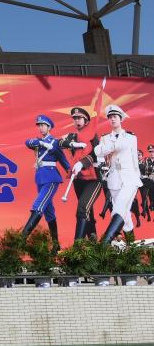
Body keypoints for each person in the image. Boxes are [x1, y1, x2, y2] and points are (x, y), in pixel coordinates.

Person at [94, 105, 143, 244]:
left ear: (121, 119)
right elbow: (98, 152)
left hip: (129, 177)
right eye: (110, 117)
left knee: (119, 208)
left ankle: (104, 244)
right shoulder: (105, 138)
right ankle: (132, 246)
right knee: (125, 215)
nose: (112, 119)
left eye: (115, 117)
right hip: (114, 178)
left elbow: (134, 159)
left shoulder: (130, 137)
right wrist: (113, 146)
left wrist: (137, 178)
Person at [22, 114, 70, 250]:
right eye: (39, 125)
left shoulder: (54, 142)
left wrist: (69, 169)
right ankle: (56, 246)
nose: (41, 128)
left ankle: (21, 239)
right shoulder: (38, 142)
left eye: (43, 125)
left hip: (51, 177)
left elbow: (62, 159)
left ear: (49, 127)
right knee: (49, 212)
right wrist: (42, 143)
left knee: (38, 205)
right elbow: (28, 142)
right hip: (40, 178)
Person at [58, 106, 105, 241]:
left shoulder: (92, 135)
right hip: (78, 179)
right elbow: (59, 143)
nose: (77, 121)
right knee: (87, 210)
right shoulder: (72, 136)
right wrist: (72, 144)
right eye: (75, 119)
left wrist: (82, 163)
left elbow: (96, 154)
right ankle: (92, 239)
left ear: (86, 121)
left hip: (94, 179)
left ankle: (77, 246)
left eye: (80, 118)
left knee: (82, 208)